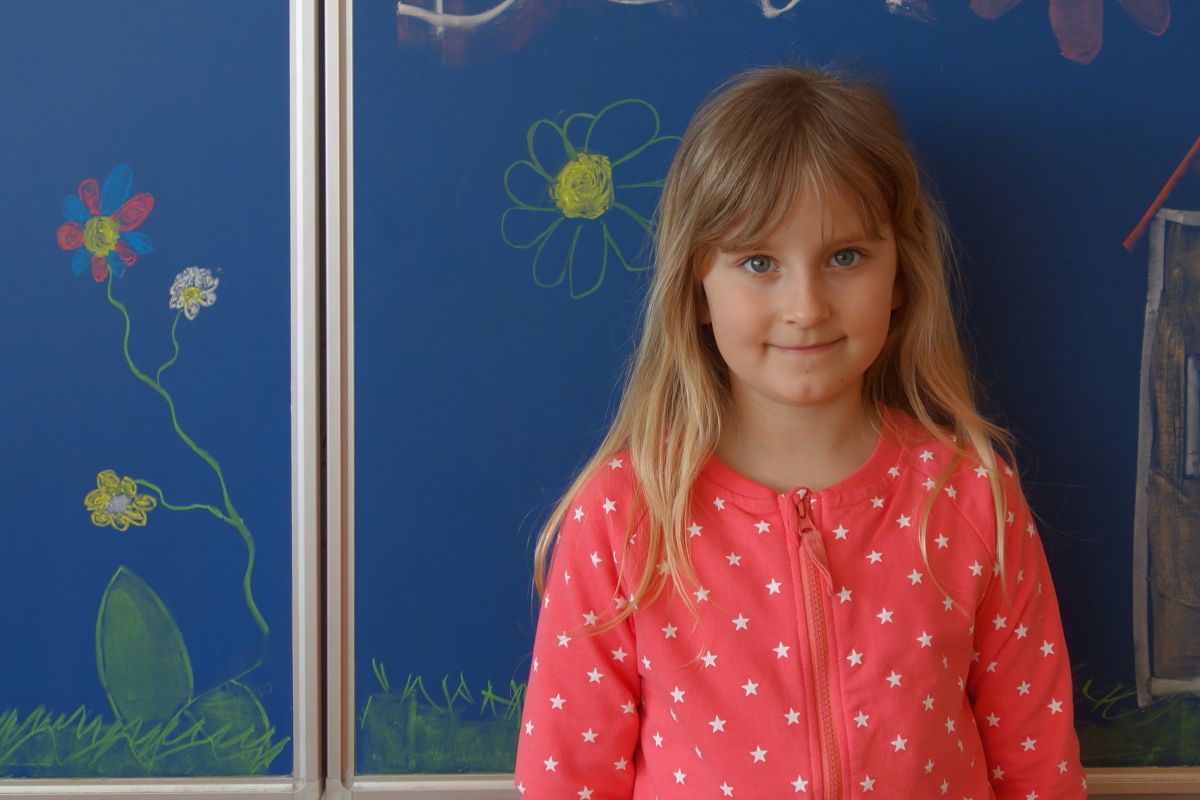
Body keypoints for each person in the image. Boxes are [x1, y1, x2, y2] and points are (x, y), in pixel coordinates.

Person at [513, 66, 1085, 799]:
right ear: (697, 286)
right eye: (759, 262)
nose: (806, 306)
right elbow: (567, 780)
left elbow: (1039, 773)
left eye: (845, 257)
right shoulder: (626, 514)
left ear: (900, 274)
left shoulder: (973, 498)